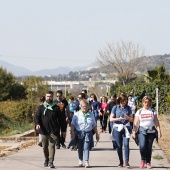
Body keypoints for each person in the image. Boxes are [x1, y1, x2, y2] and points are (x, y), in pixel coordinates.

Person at [35, 91, 66, 168]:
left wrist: (63, 130)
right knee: (44, 147)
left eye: (50, 96)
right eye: (48, 96)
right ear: (45, 97)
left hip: (53, 130)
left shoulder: (56, 108)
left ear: (53, 97)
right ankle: (46, 158)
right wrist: (37, 124)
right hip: (43, 130)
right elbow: (37, 117)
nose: (49, 98)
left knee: (52, 146)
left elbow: (61, 120)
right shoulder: (41, 107)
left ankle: (51, 161)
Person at [132, 96, 162, 169]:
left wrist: (159, 131)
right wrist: (134, 132)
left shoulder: (152, 111)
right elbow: (136, 123)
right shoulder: (139, 111)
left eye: (148, 102)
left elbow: (156, 122)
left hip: (151, 131)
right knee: (142, 146)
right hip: (141, 131)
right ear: (143, 103)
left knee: (149, 147)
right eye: (145, 102)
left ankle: (148, 162)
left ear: (150, 103)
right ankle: (143, 160)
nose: (147, 104)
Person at [71, 99, 100, 168]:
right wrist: (72, 133)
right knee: (80, 147)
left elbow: (94, 125)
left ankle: (86, 161)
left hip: (88, 133)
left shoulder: (91, 114)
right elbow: (72, 124)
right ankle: (80, 160)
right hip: (79, 132)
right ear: (80, 106)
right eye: (83, 106)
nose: (85, 107)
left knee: (86, 147)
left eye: (86, 106)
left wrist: (97, 134)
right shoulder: (77, 114)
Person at [110, 93, 133, 168]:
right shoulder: (115, 108)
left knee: (126, 144)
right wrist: (118, 119)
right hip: (117, 128)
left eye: (125, 100)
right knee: (119, 146)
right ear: (119, 101)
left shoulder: (128, 108)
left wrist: (128, 118)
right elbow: (111, 119)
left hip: (126, 128)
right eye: (123, 101)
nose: (124, 102)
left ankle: (127, 161)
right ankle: (121, 161)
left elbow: (132, 119)